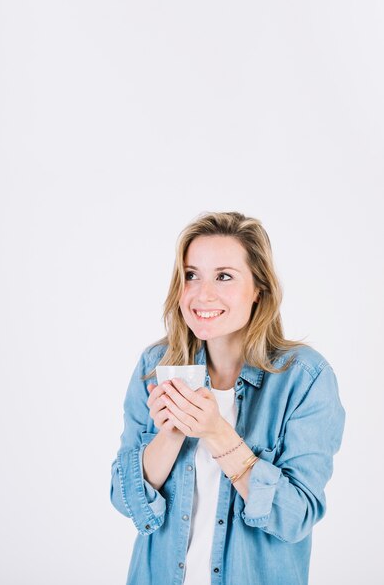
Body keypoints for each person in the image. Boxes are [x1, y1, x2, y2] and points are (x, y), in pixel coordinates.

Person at [109, 211, 345, 585]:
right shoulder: (156, 366)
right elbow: (128, 503)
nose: (203, 294)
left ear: (259, 289)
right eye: (191, 275)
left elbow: (296, 516)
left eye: (224, 276)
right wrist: (170, 433)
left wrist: (218, 433)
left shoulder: (304, 378)